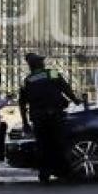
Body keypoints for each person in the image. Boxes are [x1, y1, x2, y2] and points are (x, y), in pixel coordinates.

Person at [18, 52, 82, 184]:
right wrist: (75, 100)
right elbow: (65, 87)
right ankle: (64, 172)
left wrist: (25, 122)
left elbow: (22, 103)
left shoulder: (28, 80)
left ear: (30, 66)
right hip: (55, 115)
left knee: (43, 146)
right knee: (59, 144)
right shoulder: (51, 73)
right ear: (40, 64)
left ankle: (44, 174)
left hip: (39, 118)